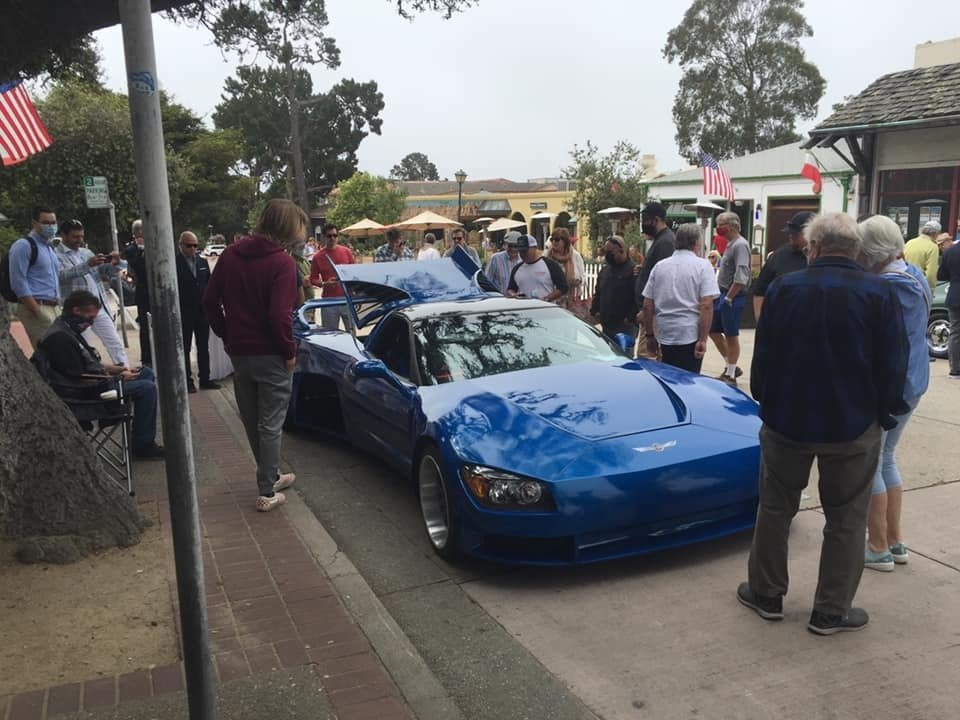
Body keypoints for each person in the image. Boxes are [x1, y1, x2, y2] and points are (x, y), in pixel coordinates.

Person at [738, 212, 909, 636]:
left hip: (787, 422)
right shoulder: (878, 293)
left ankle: (767, 594)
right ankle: (831, 611)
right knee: (847, 518)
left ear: (812, 248)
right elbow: (894, 361)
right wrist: (883, 412)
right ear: (855, 251)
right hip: (852, 425)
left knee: (775, 509)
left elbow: (764, 357)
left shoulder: (784, 288)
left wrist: (766, 401)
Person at [202, 199, 303, 512]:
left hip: (240, 352)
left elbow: (208, 301)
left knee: (251, 417)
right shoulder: (283, 263)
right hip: (271, 353)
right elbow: (279, 316)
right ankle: (267, 489)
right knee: (271, 423)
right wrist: (289, 350)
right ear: (287, 227)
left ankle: (271, 474)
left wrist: (227, 335)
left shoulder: (231, 255)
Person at [857, 215, 931, 572]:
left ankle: (877, 546)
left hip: (891, 386)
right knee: (887, 458)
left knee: (872, 460)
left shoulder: (886, 286)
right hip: (914, 380)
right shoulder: (913, 275)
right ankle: (895, 541)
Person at [37, 290, 165, 460]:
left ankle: (141, 438)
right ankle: (143, 445)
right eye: (90, 317)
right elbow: (78, 377)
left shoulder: (67, 329)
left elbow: (89, 363)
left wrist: (119, 370)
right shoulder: (60, 338)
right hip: (86, 395)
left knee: (146, 373)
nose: (91, 323)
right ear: (76, 311)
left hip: (94, 384)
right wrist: (116, 378)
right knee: (147, 388)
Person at [641, 223, 719, 373]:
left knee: (666, 377)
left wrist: (650, 335)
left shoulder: (660, 267)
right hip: (689, 333)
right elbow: (707, 305)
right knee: (688, 380)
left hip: (664, 333)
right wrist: (703, 339)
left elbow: (647, 305)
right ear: (697, 243)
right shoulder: (703, 266)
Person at [54, 218, 128, 367]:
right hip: (78, 311)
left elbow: (100, 273)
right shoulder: (55, 255)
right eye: (75, 237)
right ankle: (90, 378)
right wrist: (87, 265)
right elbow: (61, 276)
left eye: (81, 236)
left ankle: (125, 372)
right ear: (63, 235)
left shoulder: (85, 252)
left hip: (98, 305)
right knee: (83, 348)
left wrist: (115, 263)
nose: (79, 240)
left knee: (115, 342)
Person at [9, 205, 62, 349]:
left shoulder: (49, 248)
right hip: (37, 307)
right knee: (49, 352)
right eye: (45, 222)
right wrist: (36, 310)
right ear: (34, 223)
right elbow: (18, 281)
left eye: (53, 222)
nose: (50, 226)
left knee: (61, 351)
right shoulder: (24, 246)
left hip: (54, 307)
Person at [709, 212, 751, 384]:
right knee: (713, 330)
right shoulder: (730, 245)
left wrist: (729, 298)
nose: (718, 227)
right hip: (723, 294)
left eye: (722, 223)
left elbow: (741, 275)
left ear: (732, 225)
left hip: (732, 296)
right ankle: (730, 364)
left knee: (731, 334)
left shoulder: (740, 245)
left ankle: (731, 374)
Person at [175, 230, 218, 393]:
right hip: (184, 312)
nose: (193, 249)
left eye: (195, 245)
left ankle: (205, 379)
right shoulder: (175, 263)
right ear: (181, 245)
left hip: (201, 312)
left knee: (203, 346)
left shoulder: (202, 262)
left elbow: (208, 283)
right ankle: (187, 381)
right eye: (189, 246)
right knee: (185, 348)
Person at [752, 211, 815, 320]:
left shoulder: (825, 256)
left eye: (795, 234)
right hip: (782, 322)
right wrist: (760, 322)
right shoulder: (779, 256)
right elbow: (760, 291)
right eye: (790, 233)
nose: (791, 237)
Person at [590, 235, 638, 338]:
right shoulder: (605, 271)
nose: (607, 255)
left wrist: (629, 318)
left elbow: (637, 297)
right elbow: (598, 292)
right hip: (606, 324)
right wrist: (595, 310)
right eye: (606, 252)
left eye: (610, 252)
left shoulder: (633, 271)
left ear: (621, 250)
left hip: (624, 327)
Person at [310, 223, 355, 330]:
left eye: (335, 235)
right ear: (324, 237)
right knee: (330, 335)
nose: (333, 238)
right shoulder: (318, 257)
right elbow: (313, 279)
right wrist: (325, 283)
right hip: (329, 301)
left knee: (352, 333)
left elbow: (354, 273)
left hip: (347, 299)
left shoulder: (346, 252)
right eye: (329, 236)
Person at [633, 201, 676, 303]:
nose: (643, 225)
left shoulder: (666, 242)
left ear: (656, 220)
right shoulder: (660, 239)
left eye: (645, 221)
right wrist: (644, 269)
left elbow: (663, 279)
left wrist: (648, 309)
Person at [506, 235, 568, 302]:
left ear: (535, 248)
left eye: (525, 251)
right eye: (520, 251)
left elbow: (563, 287)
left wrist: (547, 298)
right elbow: (510, 289)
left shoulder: (550, 265)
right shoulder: (516, 269)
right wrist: (514, 295)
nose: (523, 254)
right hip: (523, 309)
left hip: (544, 308)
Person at [125, 218, 152, 366]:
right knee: (145, 327)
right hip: (143, 292)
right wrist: (142, 249)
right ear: (136, 233)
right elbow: (139, 269)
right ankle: (147, 359)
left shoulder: (154, 244)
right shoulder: (131, 250)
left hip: (158, 291)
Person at [938, 230, 960, 379]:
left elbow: (941, 275)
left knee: (955, 332)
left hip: (955, 295)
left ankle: (955, 369)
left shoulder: (950, 252)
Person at [546, 228, 585, 302]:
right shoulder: (547, 255)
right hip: (551, 298)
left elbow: (581, 277)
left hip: (570, 299)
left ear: (565, 241)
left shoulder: (575, 256)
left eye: (557, 239)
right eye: (552, 239)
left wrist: (573, 280)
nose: (554, 242)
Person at [903, 220, 941, 291]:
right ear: (935, 233)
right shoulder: (932, 247)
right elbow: (931, 273)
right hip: (919, 286)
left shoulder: (909, 243)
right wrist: (931, 290)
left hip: (904, 282)